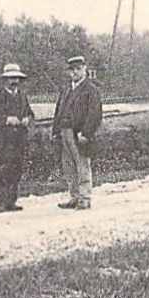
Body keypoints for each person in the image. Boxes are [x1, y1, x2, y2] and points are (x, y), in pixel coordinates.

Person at [52, 55, 102, 209]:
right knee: (68, 166)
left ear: (84, 69)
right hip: (64, 131)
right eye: (72, 69)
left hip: (79, 133)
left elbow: (95, 114)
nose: (74, 72)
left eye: (78, 69)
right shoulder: (66, 89)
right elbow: (58, 111)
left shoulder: (91, 90)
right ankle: (74, 196)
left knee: (82, 164)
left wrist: (86, 133)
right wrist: (55, 131)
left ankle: (85, 199)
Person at [0, 63, 34, 213]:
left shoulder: (22, 96)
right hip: (2, 141)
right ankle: (0, 202)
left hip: (19, 140)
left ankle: (11, 201)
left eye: (16, 78)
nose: (14, 81)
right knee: (2, 170)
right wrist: (6, 119)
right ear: (5, 80)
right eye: (11, 78)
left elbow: (30, 113)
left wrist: (27, 119)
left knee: (17, 170)